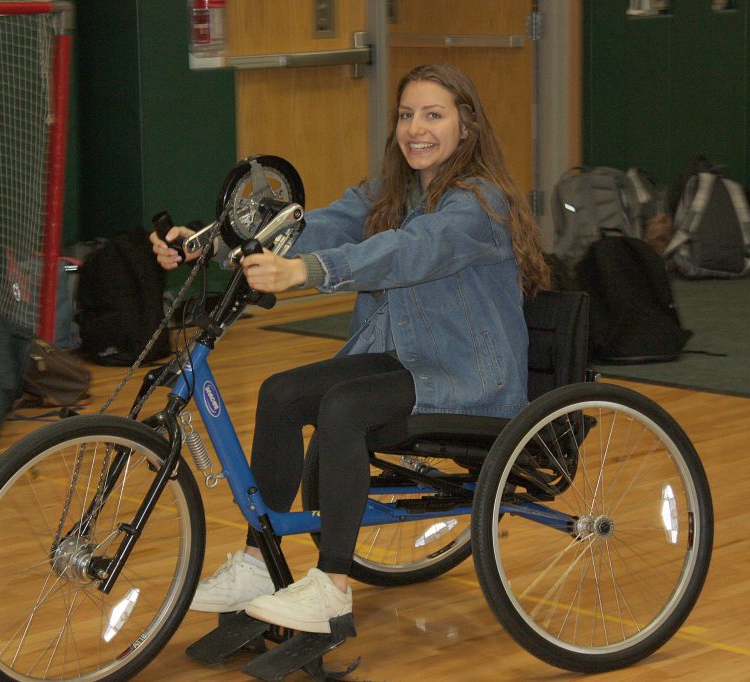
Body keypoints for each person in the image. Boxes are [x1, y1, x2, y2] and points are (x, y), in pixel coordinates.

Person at [151, 63, 551, 634]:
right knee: (281, 393)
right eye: (407, 115)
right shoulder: (393, 191)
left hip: (467, 375)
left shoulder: (479, 203)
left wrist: (306, 273)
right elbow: (313, 225)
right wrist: (208, 240)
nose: (416, 128)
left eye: (433, 115)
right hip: (408, 359)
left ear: (467, 127)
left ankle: (333, 588)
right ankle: (259, 563)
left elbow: (408, 250)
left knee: (344, 408)